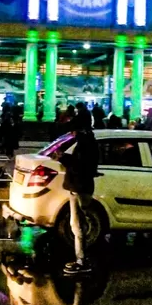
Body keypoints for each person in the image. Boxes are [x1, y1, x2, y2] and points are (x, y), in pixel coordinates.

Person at [61, 103, 101, 274]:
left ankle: (82, 261)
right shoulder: (86, 141)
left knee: (78, 225)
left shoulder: (86, 142)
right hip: (78, 186)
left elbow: (82, 166)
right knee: (76, 224)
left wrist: (64, 159)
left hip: (80, 187)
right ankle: (81, 259)